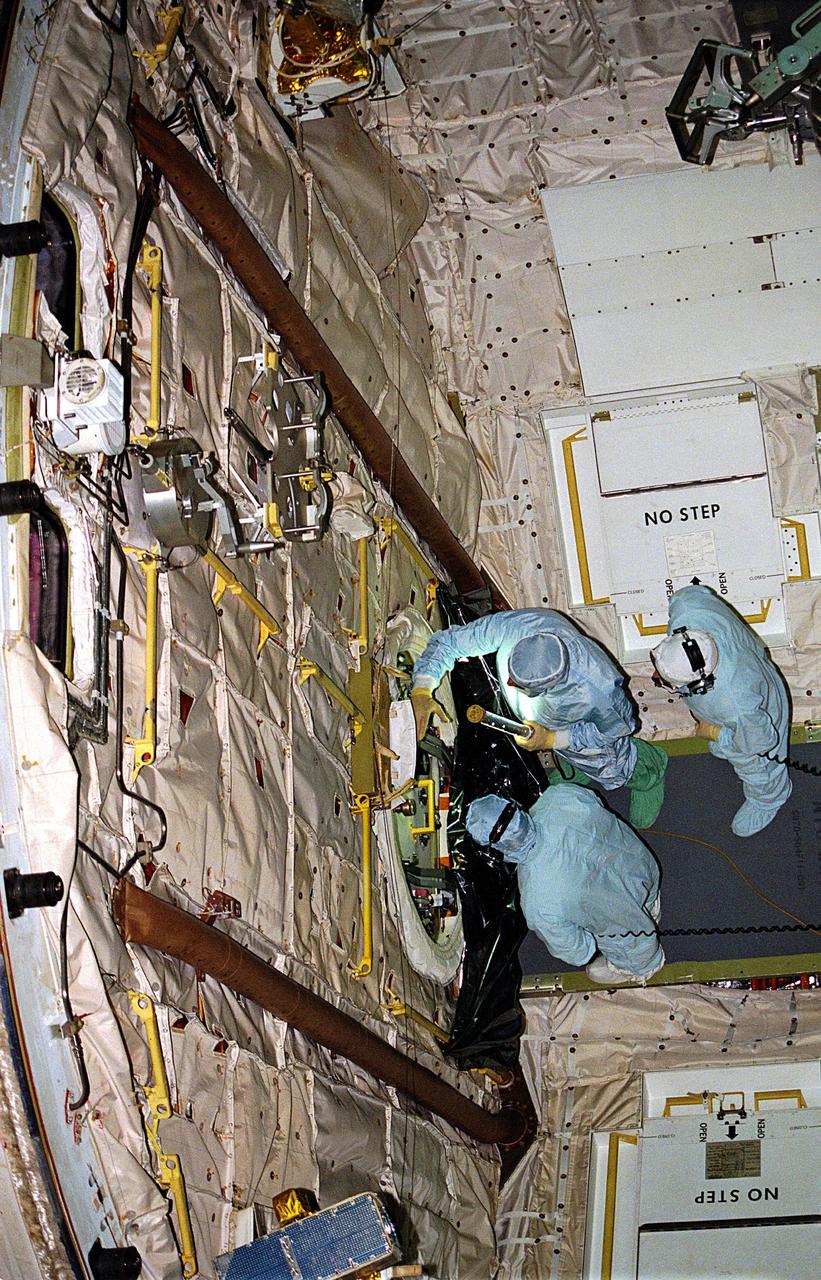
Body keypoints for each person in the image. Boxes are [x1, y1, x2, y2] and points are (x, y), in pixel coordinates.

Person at [410, 607, 667, 828]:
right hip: (551, 723)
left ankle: (648, 772)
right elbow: (449, 642)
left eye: (518, 684)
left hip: (590, 736)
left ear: (552, 685)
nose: (508, 682)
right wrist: (422, 687)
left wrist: (555, 739)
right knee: (575, 755)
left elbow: (617, 728)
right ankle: (579, 764)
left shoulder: (598, 687)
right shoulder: (518, 627)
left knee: (609, 764)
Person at [466, 789, 664, 984]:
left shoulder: (536, 900)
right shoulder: (557, 797)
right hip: (642, 869)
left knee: (624, 940)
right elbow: (595, 801)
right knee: (638, 888)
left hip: (625, 923)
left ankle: (644, 966)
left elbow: (579, 952)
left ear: (495, 849)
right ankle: (650, 908)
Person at [651, 582, 792, 838]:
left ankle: (770, 796)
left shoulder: (736, 702)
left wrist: (717, 733)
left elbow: (760, 743)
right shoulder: (687, 607)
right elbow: (690, 593)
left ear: (701, 682)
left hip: (761, 710)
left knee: (757, 762)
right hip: (746, 678)